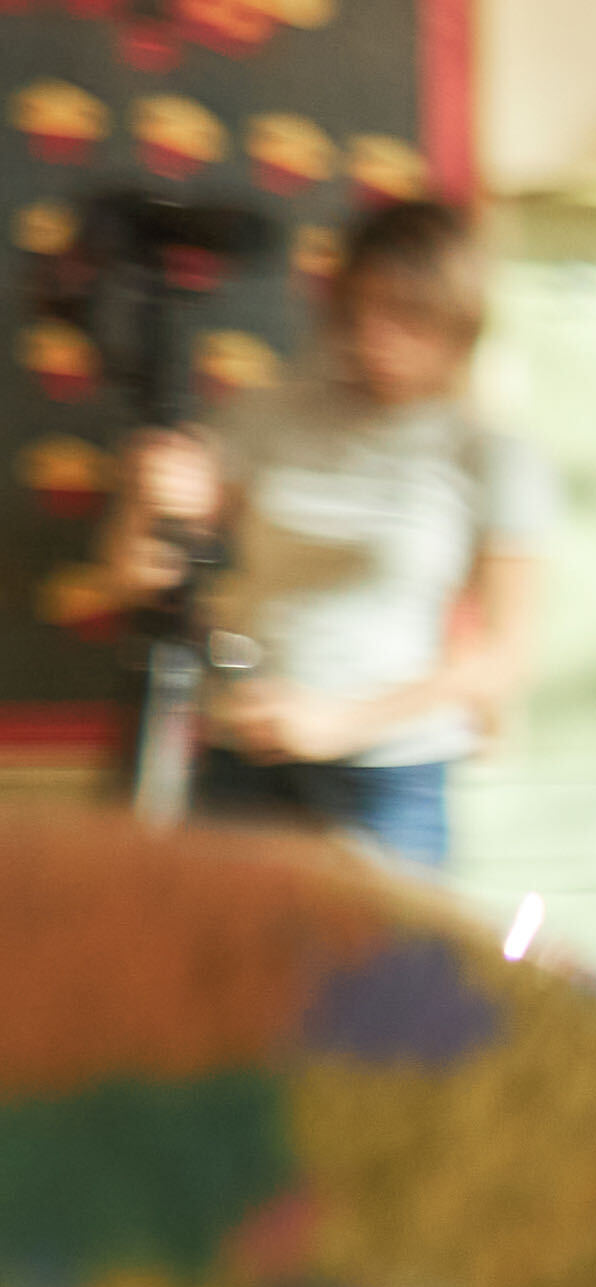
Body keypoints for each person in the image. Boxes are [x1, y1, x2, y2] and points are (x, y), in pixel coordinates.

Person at [102, 199, 548, 870]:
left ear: (458, 323)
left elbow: (504, 658)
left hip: (388, 778)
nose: (376, 335)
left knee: (379, 976)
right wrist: (146, 502)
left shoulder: (489, 454)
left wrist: (339, 723)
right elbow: (133, 577)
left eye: (407, 315)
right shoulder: (267, 414)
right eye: (360, 310)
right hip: (241, 760)